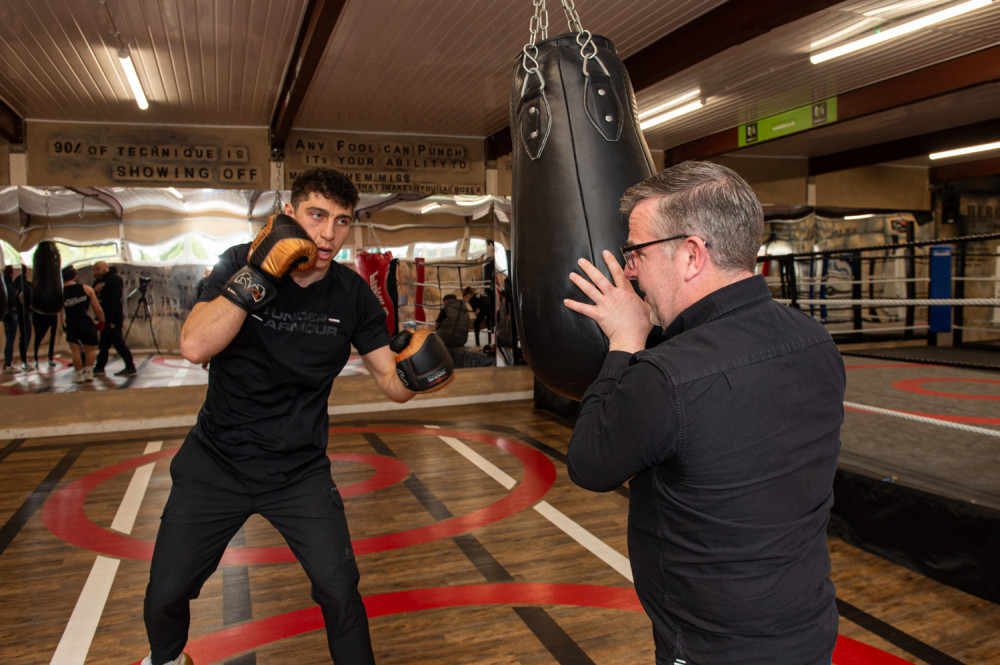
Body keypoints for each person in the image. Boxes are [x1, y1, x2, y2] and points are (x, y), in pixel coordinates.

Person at [140, 167, 453, 665]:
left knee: (340, 589)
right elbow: (195, 346)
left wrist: (420, 376)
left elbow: (389, 384)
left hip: (298, 471)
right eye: (316, 215)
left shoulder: (351, 295)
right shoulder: (238, 263)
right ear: (289, 214)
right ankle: (170, 659)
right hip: (215, 464)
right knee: (165, 595)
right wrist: (260, 275)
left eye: (342, 221)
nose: (328, 233)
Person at [563, 161, 843, 665]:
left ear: (691, 255)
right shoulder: (814, 339)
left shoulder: (667, 376)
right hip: (806, 625)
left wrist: (626, 342)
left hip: (712, 646)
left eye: (636, 252)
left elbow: (590, 465)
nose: (629, 270)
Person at [60, 265, 105, 383]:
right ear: (75, 276)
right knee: (90, 349)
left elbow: (60, 312)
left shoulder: (60, 293)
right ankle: (89, 374)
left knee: (75, 351)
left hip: (70, 322)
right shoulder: (86, 289)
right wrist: (102, 321)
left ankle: (79, 375)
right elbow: (97, 309)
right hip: (84, 321)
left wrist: (62, 325)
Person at [92, 261, 137, 377]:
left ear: (105, 268)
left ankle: (130, 367)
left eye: (98, 269)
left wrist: (111, 321)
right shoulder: (101, 281)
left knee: (118, 344)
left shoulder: (114, 280)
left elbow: (114, 301)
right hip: (105, 318)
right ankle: (99, 367)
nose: (95, 272)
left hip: (113, 319)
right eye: (94, 270)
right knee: (104, 344)